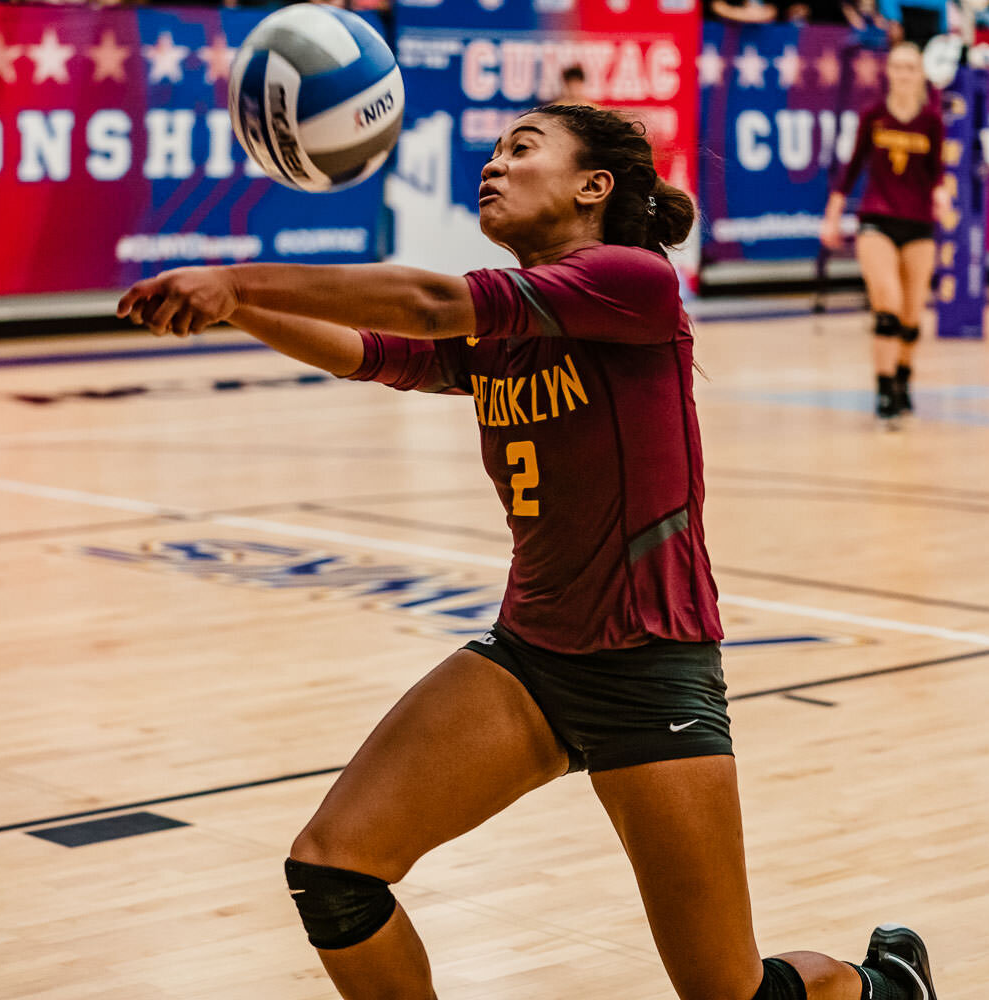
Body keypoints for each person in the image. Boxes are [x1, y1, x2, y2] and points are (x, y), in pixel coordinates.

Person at [119, 104, 939, 1000]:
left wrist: (235, 275)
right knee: (334, 870)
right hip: (531, 660)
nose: (494, 165)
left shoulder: (632, 282)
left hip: (647, 668)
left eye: (521, 149)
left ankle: (880, 985)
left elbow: (433, 304)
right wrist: (242, 309)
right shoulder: (509, 325)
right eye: (493, 150)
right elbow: (373, 354)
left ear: (595, 187)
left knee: (728, 993)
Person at [820, 43, 948, 427]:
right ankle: (884, 388)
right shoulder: (873, 116)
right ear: (887, 72)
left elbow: (937, 171)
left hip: (919, 223)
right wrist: (833, 213)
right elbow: (852, 166)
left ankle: (904, 380)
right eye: (897, 66)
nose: (904, 73)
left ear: (920, 74)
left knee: (911, 315)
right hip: (877, 219)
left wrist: (942, 194)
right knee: (887, 304)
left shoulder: (931, 121)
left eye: (911, 67)